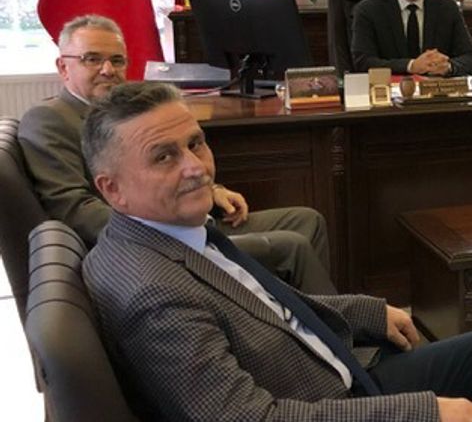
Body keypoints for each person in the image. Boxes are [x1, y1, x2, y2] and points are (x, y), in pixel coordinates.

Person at [81, 81, 472, 422]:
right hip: (317, 403)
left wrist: (366, 311)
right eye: (164, 156)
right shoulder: (153, 293)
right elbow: (251, 418)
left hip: (321, 374)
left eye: (196, 144)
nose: (196, 168)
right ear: (112, 189)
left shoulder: (171, 232)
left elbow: (269, 307)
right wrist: (426, 413)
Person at [19, 15, 336, 294]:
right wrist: (170, 231)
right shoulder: (49, 120)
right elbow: (75, 209)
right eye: (92, 59)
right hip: (153, 240)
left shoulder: (120, 113)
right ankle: (322, 331)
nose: (107, 70)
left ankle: (293, 315)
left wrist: (212, 189)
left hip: (185, 218)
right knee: (292, 246)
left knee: (306, 220)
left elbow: (171, 162)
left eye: (117, 60)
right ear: (63, 67)